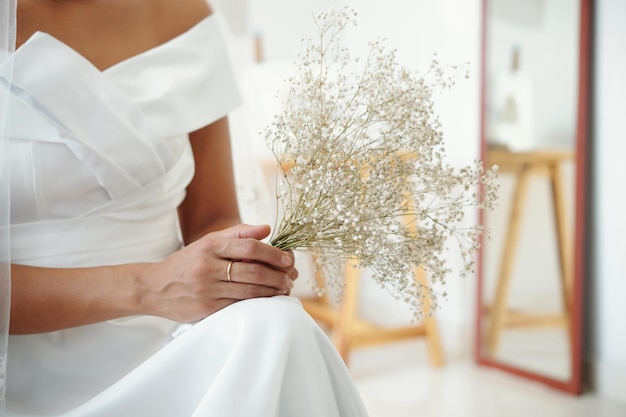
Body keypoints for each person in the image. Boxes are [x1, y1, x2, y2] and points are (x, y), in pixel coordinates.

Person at [2, 0, 369, 415]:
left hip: (176, 332)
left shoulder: (185, 15)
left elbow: (212, 217)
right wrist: (150, 286)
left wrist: (240, 264)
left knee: (278, 327)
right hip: (22, 366)